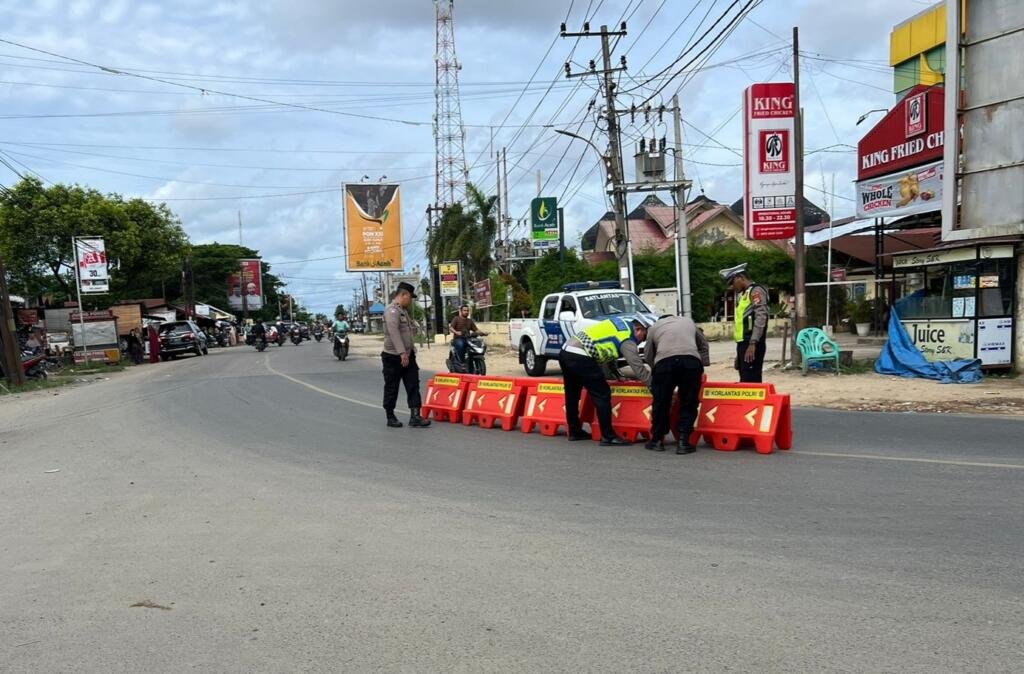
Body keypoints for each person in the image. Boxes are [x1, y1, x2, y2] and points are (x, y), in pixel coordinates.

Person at [558, 315, 651, 446]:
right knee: (602, 393)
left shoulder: (619, 324)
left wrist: (617, 374)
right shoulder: (628, 338)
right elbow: (637, 367)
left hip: (565, 351)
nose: (642, 341)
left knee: (572, 394)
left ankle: (574, 431)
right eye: (644, 337)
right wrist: (653, 386)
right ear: (639, 329)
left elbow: (608, 351)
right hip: (582, 355)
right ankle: (608, 436)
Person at [643, 314, 711, 454]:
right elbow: (703, 343)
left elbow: (648, 353)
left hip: (664, 364)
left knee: (661, 402)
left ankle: (657, 440)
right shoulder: (688, 322)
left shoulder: (655, 327)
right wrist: (703, 362)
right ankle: (683, 441)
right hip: (691, 363)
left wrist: (655, 367)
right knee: (689, 402)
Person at [382, 282, 430, 429]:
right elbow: (394, 332)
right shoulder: (391, 311)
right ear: (404, 295)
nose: (411, 301)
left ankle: (415, 416)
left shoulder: (403, 311)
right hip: (393, 357)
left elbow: (409, 330)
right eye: (410, 297)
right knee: (392, 387)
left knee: (413, 384)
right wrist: (402, 352)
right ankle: (390, 416)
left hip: (408, 355)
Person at [720, 263, 770, 383]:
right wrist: (739, 353)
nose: (732, 286)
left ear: (740, 278)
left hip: (752, 343)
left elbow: (761, 316)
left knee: (751, 380)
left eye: (732, 282)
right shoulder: (745, 295)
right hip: (744, 344)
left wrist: (753, 343)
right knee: (745, 379)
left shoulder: (755, 291)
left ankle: (755, 403)